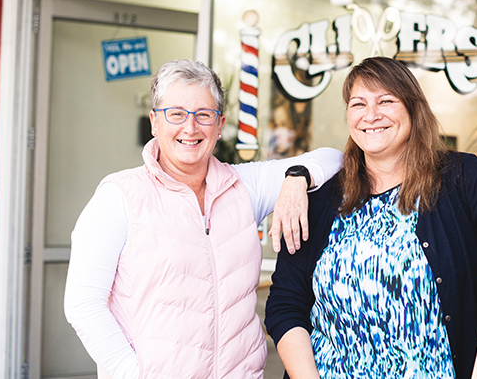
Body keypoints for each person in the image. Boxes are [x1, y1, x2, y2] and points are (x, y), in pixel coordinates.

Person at [264, 57, 477, 379]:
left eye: (386, 101)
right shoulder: (322, 198)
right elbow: (285, 304)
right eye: (358, 103)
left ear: (412, 109)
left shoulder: (459, 176)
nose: (371, 115)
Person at [63, 59, 343, 379]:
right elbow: (83, 304)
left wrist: (296, 179)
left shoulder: (243, 188)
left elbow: (334, 158)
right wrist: (132, 373)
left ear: (220, 124)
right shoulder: (119, 197)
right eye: (176, 114)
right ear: (155, 122)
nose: (190, 128)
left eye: (204, 115)